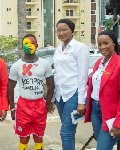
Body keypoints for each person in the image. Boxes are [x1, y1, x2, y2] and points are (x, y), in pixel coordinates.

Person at [84, 30, 120, 150]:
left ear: (114, 43)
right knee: (102, 144)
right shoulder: (98, 63)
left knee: (102, 147)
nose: (102, 47)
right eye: (99, 44)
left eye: (106, 43)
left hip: (111, 114)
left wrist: (118, 123)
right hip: (96, 110)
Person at [8, 34, 54, 150]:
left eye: (31, 43)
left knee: (39, 137)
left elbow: (51, 85)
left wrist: (47, 103)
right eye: (26, 44)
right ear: (22, 46)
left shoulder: (45, 64)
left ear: (37, 46)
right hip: (23, 106)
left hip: (39, 104)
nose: (29, 46)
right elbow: (10, 88)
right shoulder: (16, 66)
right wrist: (13, 109)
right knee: (23, 138)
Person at [53, 18, 89, 150]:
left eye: (64, 30)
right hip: (60, 96)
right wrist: (53, 98)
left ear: (71, 30)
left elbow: (83, 75)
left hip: (73, 94)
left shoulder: (80, 48)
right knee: (68, 131)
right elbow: (57, 75)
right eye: (58, 30)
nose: (61, 33)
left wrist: (81, 101)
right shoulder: (58, 50)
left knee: (66, 132)